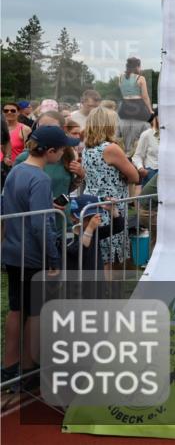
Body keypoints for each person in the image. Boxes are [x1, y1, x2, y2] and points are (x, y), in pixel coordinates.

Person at [1, 125, 79, 387]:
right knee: (35, 312)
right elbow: (40, 224)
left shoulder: (17, 170)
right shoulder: (41, 178)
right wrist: (53, 259)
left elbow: (10, 204)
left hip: (12, 251)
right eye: (63, 149)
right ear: (51, 151)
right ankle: (28, 368)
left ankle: (9, 365)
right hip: (33, 255)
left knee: (16, 308)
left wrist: (48, 206)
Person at [80, 107, 140, 266]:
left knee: (97, 253)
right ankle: (107, 291)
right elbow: (134, 176)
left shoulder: (87, 147)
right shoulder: (110, 148)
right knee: (109, 257)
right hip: (110, 205)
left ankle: (100, 289)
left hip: (92, 202)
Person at [15, 112, 85, 215]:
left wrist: (80, 176)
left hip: (62, 219)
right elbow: (15, 196)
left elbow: (65, 189)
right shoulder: (25, 159)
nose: (45, 130)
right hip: (39, 222)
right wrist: (45, 203)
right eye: (41, 126)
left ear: (63, 130)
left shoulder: (66, 154)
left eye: (51, 127)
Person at [131, 111, 160, 188]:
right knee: (149, 199)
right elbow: (137, 156)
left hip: (170, 174)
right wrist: (140, 168)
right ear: (156, 118)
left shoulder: (172, 135)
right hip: (151, 174)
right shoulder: (147, 134)